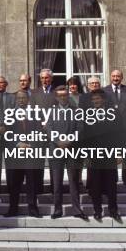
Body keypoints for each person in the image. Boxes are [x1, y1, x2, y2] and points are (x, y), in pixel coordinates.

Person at [81, 89, 123, 223]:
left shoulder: (114, 113)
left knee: (111, 184)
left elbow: (119, 134)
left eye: (98, 99)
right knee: (95, 184)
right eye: (93, 99)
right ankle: (97, 211)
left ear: (103, 99)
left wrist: (119, 152)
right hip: (93, 154)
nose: (95, 101)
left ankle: (113, 210)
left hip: (109, 153)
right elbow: (84, 136)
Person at [46, 86, 87, 220]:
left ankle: (76, 209)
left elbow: (80, 128)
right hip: (56, 150)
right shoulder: (51, 111)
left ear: (68, 96)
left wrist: (69, 141)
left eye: (65, 95)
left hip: (72, 149)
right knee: (56, 183)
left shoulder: (76, 111)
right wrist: (58, 142)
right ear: (56, 97)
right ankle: (57, 210)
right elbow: (49, 128)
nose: (63, 97)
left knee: (73, 182)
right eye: (60, 96)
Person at [5, 91, 44, 218]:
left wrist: (30, 144)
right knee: (14, 183)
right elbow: (6, 134)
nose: (21, 100)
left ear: (28, 99)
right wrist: (17, 144)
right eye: (19, 98)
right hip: (15, 154)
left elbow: (40, 132)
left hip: (31, 153)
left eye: (24, 98)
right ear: (16, 100)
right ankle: (12, 209)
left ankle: (33, 209)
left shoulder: (36, 114)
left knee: (31, 182)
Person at [103, 69, 126, 190]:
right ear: (110, 77)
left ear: (122, 77)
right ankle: (113, 180)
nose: (115, 78)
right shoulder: (104, 90)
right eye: (114, 76)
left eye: (118, 76)